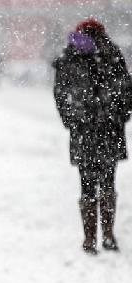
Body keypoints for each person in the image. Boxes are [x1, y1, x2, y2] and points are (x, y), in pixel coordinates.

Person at [53, 19, 132, 254]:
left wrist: (72, 119)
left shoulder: (70, 58)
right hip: (108, 130)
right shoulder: (112, 55)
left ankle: (90, 239)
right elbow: (126, 90)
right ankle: (107, 235)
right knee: (108, 182)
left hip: (84, 132)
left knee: (87, 185)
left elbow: (61, 94)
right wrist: (118, 115)